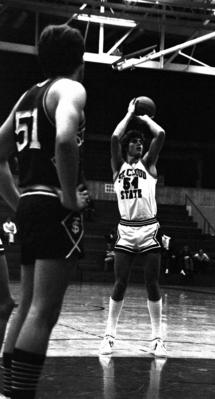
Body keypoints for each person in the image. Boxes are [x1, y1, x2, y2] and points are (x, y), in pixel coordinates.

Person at [0, 24, 88, 399]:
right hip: (53, 204)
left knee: (25, 308)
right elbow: (66, 139)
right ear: (80, 60)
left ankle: (6, 393)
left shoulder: (27, 96)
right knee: (43, 311)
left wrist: (18, 201)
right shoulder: (70, 88)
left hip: (32, 203)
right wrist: (69, 196)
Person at [99, 98, 167, 357]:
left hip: (149, 228)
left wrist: (145, 117)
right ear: (128, 146)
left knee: (152, 282)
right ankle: (109, 336)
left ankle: (158, 339)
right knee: (120, 283)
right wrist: (129, 114)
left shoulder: (148, 164)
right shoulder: (118, 168)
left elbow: (160, 134)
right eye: (136, 142)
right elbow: (114, 139)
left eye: (141, 142)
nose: (140, 144)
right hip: (126, 230)